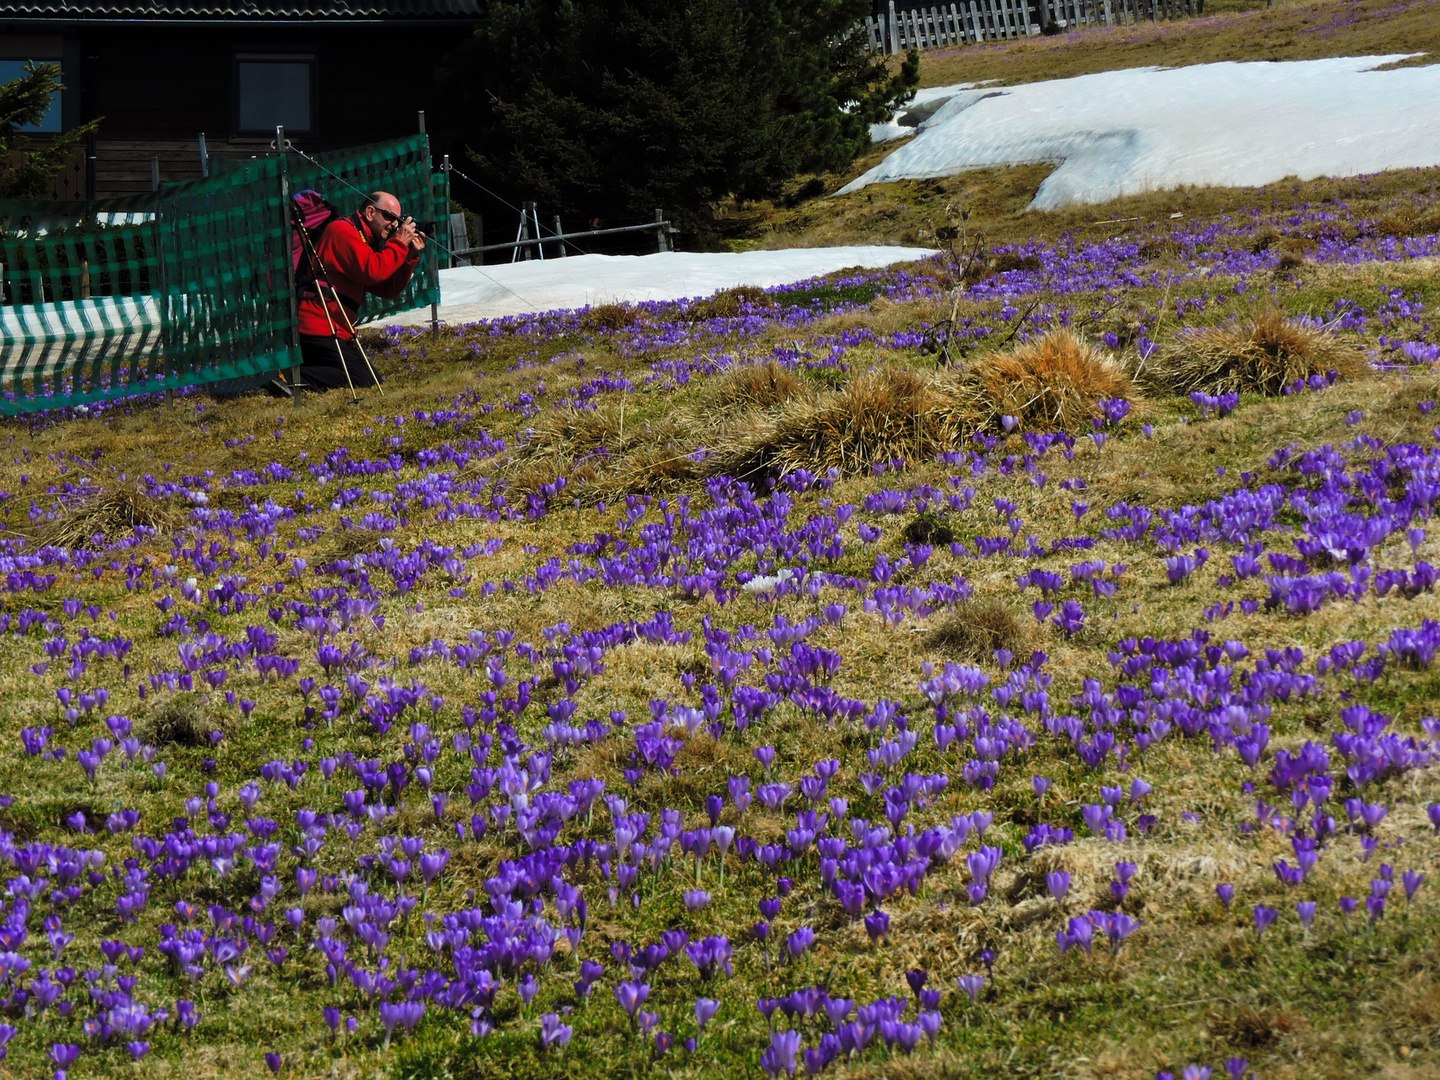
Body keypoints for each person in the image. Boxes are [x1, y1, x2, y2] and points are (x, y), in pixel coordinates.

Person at [297, 190, 426, 390]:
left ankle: (301, 369)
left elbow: (387, 289)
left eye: (397, 220)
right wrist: (399, 243)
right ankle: (289, 377)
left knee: (372, 380)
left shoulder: (364, 242)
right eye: (389, 217)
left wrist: (410, 256)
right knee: (361, 380)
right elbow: (372, 271)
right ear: (370, 212)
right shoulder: (342, 231)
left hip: (339, 328)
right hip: (319, 325)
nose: (393, 225)